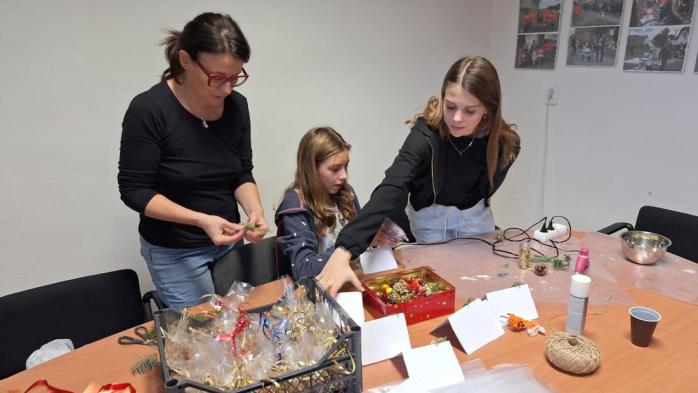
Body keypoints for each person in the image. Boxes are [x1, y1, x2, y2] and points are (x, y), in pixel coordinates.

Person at [317, 56, 521, 295]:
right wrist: (345, 250)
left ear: (488, 109)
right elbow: (393, 185)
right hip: (430, 227)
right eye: (451, 105)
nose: (456, 118)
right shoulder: (426, 135)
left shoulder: (507, 146)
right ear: (443, 97)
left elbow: (484, 191)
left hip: (477, 224)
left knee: (482, 290)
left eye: (470, 111)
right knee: (434, 292)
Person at [118, 12, 267, 309]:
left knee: (240, 326)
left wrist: (254, 210)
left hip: (228, 243)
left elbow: (241, 173)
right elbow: (135, 191)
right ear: (185, 60)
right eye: (217, 78)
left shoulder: (237, 107)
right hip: (176, 252)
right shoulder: (149, 110)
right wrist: (200, 220)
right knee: (201, 337)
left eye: (235, 78)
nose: (227, 89)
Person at [275, 127, 399, 280]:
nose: (344, 176)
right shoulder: (294, 206)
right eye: (335, 169)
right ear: (312, 169)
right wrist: (357, 240)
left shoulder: (346, 194)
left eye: (346, 166)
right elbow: (305, 271)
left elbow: (359, 247)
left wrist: (373, 237)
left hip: (349, 282)